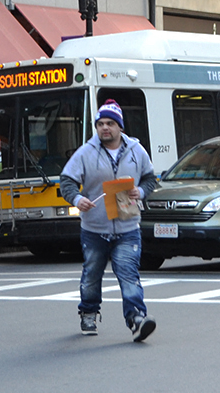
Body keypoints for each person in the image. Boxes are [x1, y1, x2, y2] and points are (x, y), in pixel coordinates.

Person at [60, 99, 157, 342]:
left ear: (120, 127)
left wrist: (141, 192)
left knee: (128, 272)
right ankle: (89, 312)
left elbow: (150, 179)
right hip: (94, 228)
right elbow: (66, 181)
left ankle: (136, 318)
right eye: (101, 123)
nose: (105, 128)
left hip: (127, 226)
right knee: (92, 273)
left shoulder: (137, 150)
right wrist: (77, 199)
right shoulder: (85, 152)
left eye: (110, 123)